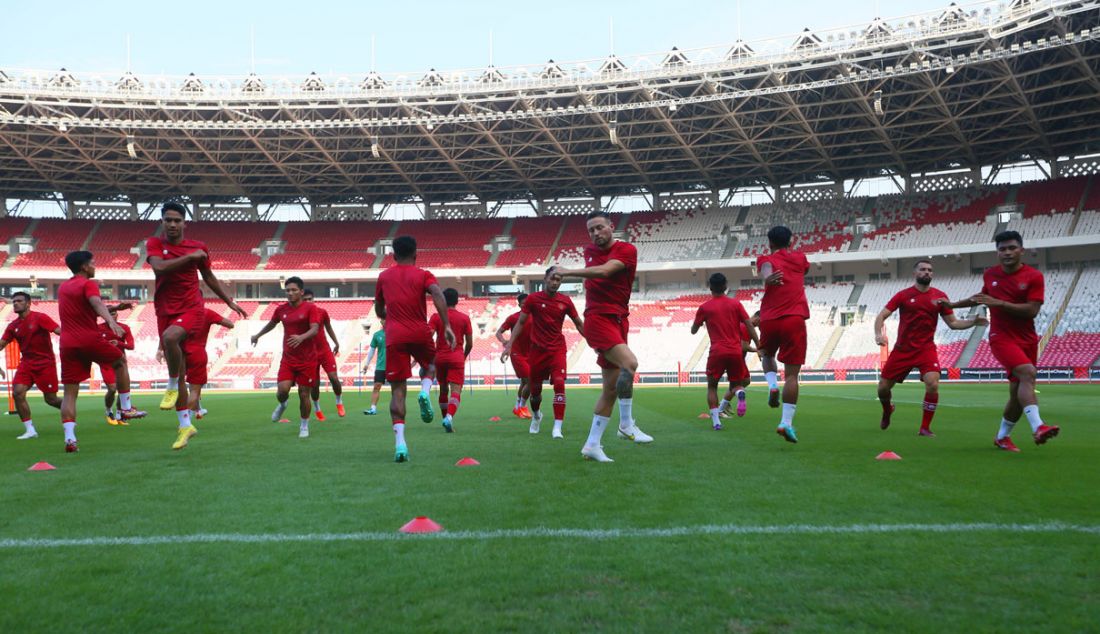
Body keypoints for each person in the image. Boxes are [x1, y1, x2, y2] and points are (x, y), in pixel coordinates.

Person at [945, 231, 1060, 451]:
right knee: (1027, 373)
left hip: (1027, 339)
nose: (1006, 252)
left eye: (1011, 248)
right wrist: (951, 305)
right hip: (1001, 337)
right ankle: (1038, 427)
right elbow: (979, 298)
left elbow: (1032, 311)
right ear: (997, 252)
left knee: (1017, 395)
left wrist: (999, 304)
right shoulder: (990, 275)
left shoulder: (1034, 277)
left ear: (1021, 250)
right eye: (1002, 249)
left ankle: (1002, 437)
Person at [552, 210, 652, 463]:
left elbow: (607, 271)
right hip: (598, 319)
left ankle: (592, 445)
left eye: (599, 228)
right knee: (630, 364)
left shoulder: (627, 250)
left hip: (619, 320)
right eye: (591, 231)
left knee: (610, 389)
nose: (595, 234)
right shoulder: (590, 251)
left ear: (611, 226)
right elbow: (601, 271)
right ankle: (626, 425)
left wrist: (567, 271)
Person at [146, 202, 246, 449]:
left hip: (191, 307)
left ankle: (169, 387)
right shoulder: (155, 244)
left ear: (184, 223)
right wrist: (190, 258)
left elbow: (209, 277)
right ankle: (185, 426)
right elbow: (158, 267)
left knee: (170, 339)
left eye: (176, 220)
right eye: (167, 219)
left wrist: (229, 302)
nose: (172, 224)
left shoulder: (199, 247)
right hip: (164, 310)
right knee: (181, 376)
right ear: (162, 221)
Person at [873, 260, 986, 436]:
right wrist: (878, 334)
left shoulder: (940, 296)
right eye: (923, 269)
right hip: (903, 349)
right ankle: (887, 410)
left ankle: (925, 427)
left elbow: (954, 323)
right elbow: (881, 316)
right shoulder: (903, 295)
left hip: (926, 349)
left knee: (932, 383)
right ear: (915, 273)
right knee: (883, 388)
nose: (927, 272)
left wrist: (973, 322)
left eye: (930, 270)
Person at [375, 236, 454, 462]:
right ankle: (425, 391)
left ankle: (401, 444)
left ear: (393, 255)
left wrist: (386, 316)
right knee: (432, 363)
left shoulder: (383, 276)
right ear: (416, 254)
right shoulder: (423, 274)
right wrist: (446, 325)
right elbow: (438, 293)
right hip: (420, 332)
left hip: (395, 336)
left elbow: (379, 308)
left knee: (397, 390)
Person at [56, 251, 134, 453]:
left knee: (70, 393)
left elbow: (85, 306)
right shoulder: (89, 284)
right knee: (120, 361)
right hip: (88, 338)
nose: (95, 266)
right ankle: (125, 408)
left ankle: (70, 438)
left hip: (67, 343)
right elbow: (95, 303)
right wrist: (111, 321)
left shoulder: (64, 287)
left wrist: (116, 307)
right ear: (84, 267)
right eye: (92, 263)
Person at [502, 268, 584, 439]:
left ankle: (557, 428)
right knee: (535, 391)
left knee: (560, 384)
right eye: (552, 279)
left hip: (557, 350)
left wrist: (595, 342)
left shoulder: (566, 301)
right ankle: (537, 415)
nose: (555, 282)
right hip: (537, 351)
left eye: (558, 279)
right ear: (545, 279)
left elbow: (579, 323)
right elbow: (521, 323)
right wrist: (509, 345)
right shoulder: (533, 299)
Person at [756, 226, 809, 444]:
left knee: (766, 354)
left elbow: (766, 267)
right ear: (791, 240)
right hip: (794, 318)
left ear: (770, 243)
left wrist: (768, 278)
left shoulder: (764, 258)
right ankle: (786, 423)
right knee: (792, 376)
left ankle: (772, 386)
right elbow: (803, 270)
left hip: (769, 318)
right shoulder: (800, 258)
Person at [251, 277, 321, 439]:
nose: (290, 293)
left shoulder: (310, 308)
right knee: (282, 391)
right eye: (287, 290)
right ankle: (283, 404)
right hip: (288, 359)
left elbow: (315, 329)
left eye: (294, 290)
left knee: (304, 394)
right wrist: (258, 335)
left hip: (307, 359)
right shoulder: (281, 310)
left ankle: (304, 425)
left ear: (301, 292)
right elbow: (272, 323)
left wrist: (301, 337)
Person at [691, 273, 760, 431]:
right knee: (736, 384)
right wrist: (758, 343)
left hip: (717, 351)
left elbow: (694, 330)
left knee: (712, 386)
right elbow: (749, 324)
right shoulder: (736, 304)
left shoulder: (705, 307)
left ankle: (716, 421)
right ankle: (740, 393)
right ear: (725, 286)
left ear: (710, 287)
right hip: (735, 351)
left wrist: (698, 324)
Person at [0, 292, 63, 440]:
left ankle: (69, 411)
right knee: (18, 393)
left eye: (19, 301)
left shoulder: (40, 318)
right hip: (27, 363)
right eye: (14, 301)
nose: (15, 303)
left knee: (51, 399)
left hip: (45, 363)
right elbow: (2, 344)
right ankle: (30, 430)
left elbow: (59, 331)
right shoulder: (12, 326)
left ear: (28, 303)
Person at [159, 307, 235, 419]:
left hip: (181, 352)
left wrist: (160, 349)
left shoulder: (181, 312)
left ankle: (192, 412)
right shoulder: (207, 312)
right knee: (195, 390)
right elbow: (230, 324)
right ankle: (188, 419)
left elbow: (166, 332)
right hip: (197, 353)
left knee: (180, 384)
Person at [428, 288, 473, 433]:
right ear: (457, 301)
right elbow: (470, 343)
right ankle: (448, 417)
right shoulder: (464, 318)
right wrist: (463, 356)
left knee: (443, 389)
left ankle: (444, 418)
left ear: (443, 300)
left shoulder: (436, 317)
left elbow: (429, 335)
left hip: (440, 357)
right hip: (457, 356)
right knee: (456, 390)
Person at [96, 304, 146, 425]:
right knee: (112, 389)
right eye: (109, 313)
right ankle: (108, 411)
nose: (112, 315)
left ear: (117, 315)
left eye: (113, 313)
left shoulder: (124, 328)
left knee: (121, 388)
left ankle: (120, 414)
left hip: (120, 362)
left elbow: (131, 346)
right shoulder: (98, 328)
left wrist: (118, 343)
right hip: (106, 363)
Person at [303, 289, 345, 419]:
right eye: (305, 299)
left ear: (314, 299)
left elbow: (329, 327)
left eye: (310, 298)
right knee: (314, 386)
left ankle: (339, 402)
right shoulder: (300, 316)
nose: (308, 301)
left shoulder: (322, 312)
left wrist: (336, 342)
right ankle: (317, 409)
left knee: (334, 378)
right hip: (310, 355)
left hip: (325, 351)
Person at [496, 293, 532, 419]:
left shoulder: (536, 317)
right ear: (519, 305)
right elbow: (499, 332)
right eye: (523, 303)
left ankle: (517, 407)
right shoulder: (513, 318)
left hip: (532, 354)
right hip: (517, 353)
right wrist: (504, 342)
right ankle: (522, 407)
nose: (526, 305)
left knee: (524, 382)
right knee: (530, 381)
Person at [720, 310, 761, 419]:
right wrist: (757, 350)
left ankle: (727, 400)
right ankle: (721, 408)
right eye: (760, 322)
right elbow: (744, 346)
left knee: (746, 381)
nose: (759, 325)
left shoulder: (743, 325)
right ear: (756, 317)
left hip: (736, 358)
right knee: (736, 385)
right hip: (736, 358)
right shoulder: (746, 327)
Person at [362, 319, 386, 415]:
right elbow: (372, 351)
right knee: (376, 387)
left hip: (393, 365)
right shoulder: (377, 335)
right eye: (383, 319)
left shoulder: (396, 332)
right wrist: (366, 364)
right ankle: (373, 408)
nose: (385, 320)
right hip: (380, 366)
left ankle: (397, 408)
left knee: (396, 388)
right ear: (381, 321)